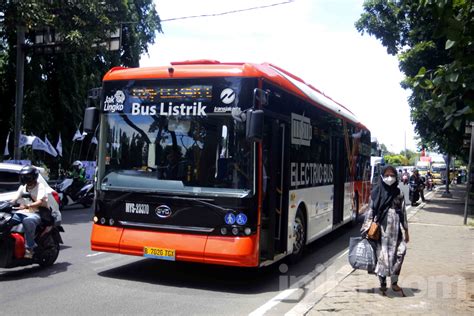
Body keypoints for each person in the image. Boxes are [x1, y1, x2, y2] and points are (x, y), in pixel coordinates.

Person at [361, 165, 409, 293]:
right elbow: (371, 211)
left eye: (392, 175)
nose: (389, 178)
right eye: (387, 175)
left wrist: (406, 230)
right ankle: (383, 283)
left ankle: (394, 281)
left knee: (401, 252)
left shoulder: (399, 193)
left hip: (396, 230)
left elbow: (403, 212)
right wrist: (366, 229)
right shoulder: (376, 193)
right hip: (381, 230)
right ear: (382, 176)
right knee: (383, 257)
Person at [10, 166, 49, 258]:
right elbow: (14, 199)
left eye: (27, 176)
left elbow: (40, 202)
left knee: (28, 221)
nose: (24, 178)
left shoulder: (40, 186)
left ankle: (29, 248)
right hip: (23, 212)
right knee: (5, 219)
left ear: (33, 177)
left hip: (37, 213)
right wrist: (7, 204)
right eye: (23, 176)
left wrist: (28, 205)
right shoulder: (23, 187)